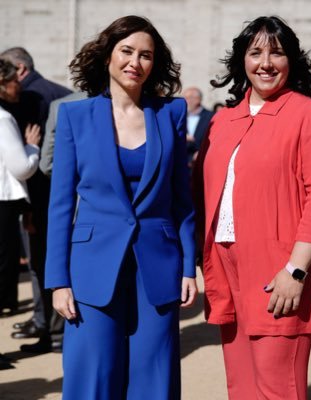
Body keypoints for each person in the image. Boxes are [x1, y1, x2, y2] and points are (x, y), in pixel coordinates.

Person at [193, 16, 311, 400]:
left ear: (292, 61)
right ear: (242, 61)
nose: (265, 62)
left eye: (277, 52)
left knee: (277, 388)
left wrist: (296, 270)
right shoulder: (223, 120)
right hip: (225, 264)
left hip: (280, 269)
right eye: (255, 53)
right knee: (242, 386)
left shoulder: (309, 114)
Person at [45, 15, 197, 399]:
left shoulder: (171, 113)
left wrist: (188, 265)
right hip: (90, 268)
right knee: (92, 374)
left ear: (154, 64)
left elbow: (183, 198)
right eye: (126, 51)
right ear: (108, 57)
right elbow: (61, 204)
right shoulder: (75, 117)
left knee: (154, 376)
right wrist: (58, 280)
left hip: (159, 264)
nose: (135, 62)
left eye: (146, 55)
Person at [1, 47, 72, 353]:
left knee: (42, 265)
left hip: (39, 198)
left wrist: (30, 209)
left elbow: (36, 163)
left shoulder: (31, 98)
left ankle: (51, 331)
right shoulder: (59, 92)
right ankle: (50, 329)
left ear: (20, 70)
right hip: (53, 196)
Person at [0, 58, 40, 368]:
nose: (20, 86)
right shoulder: (3, 119)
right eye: (14, 81)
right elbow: (22, 167)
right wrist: (32, 146)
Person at [182, 86, 213, 166]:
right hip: (183, 164)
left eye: (189, 98)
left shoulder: (211, 116)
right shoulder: (180, 116)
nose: (185, 101)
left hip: (203, 162)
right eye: (184, 98)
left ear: (198, 99)